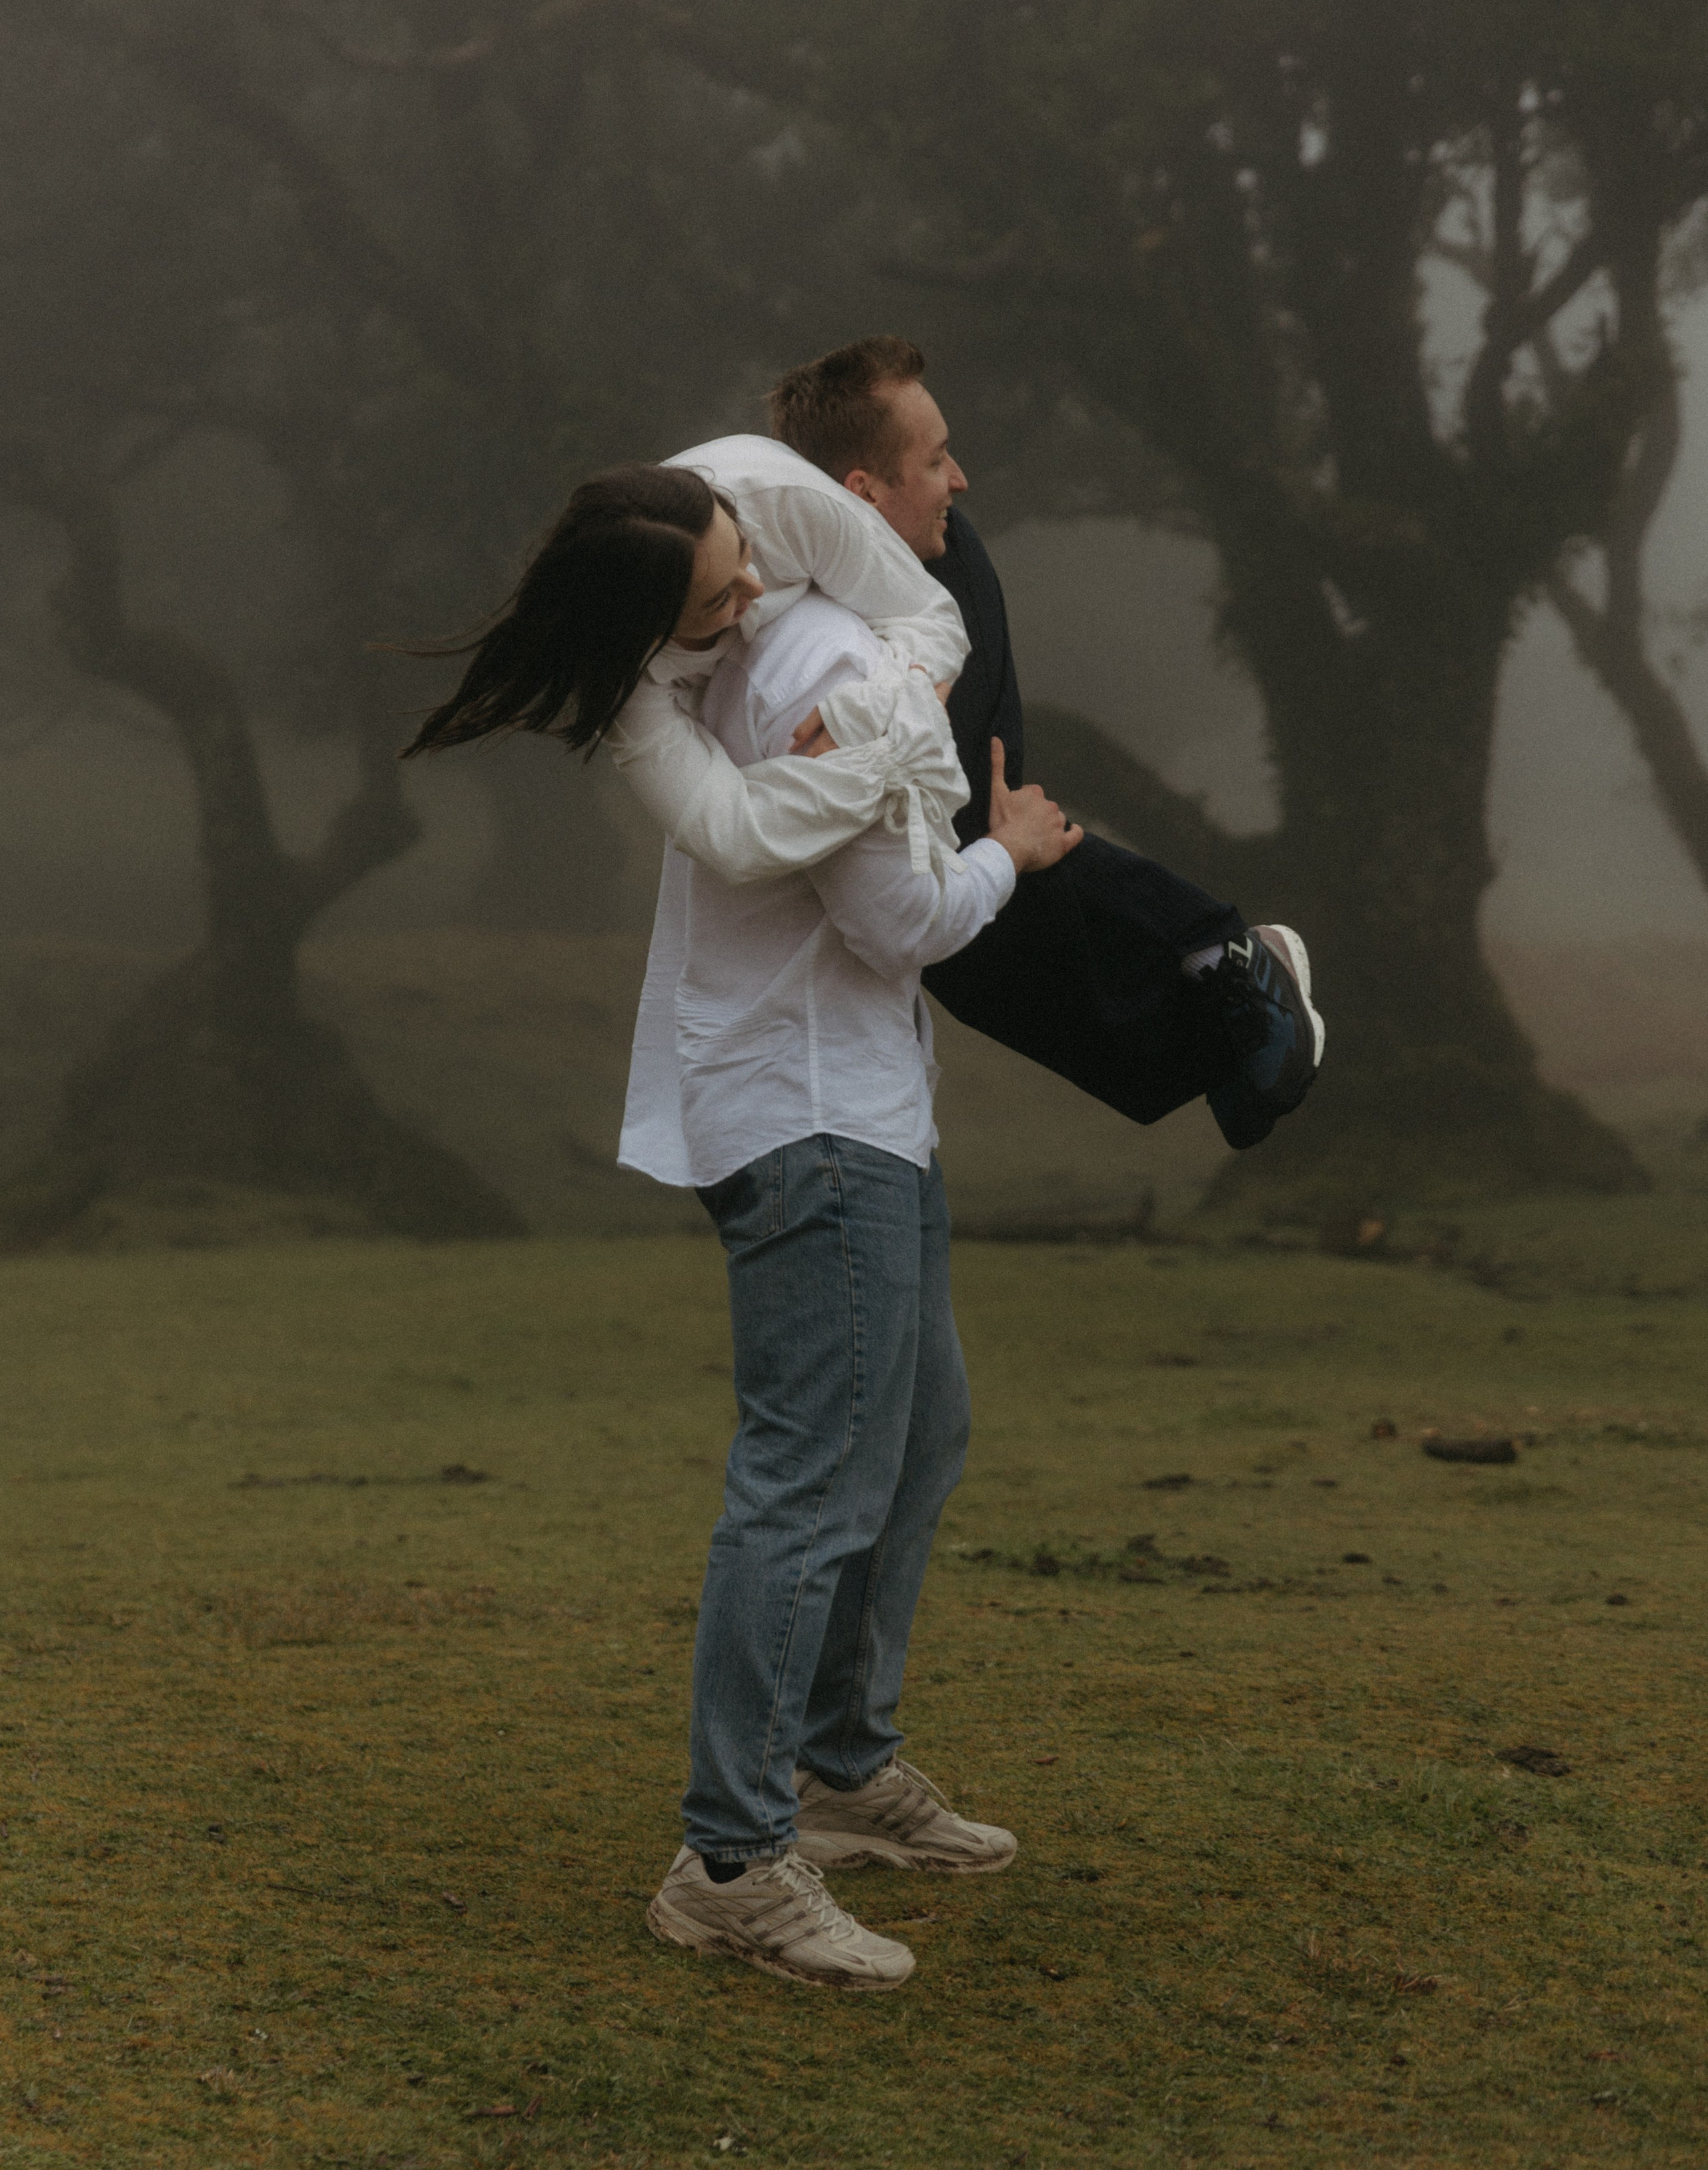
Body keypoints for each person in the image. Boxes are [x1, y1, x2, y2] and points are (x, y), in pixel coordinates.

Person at [405, 466, 1084, 1990]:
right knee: (810, 1478)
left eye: (743, 567)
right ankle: (729, 1855)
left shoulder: (780, 616)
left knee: (916, 1436)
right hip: (805, 1117)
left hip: (858, 1100)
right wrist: (1003, 850)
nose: (748, 595)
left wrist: (909, 756)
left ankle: (841, 1767)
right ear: (658, 624)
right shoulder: (796, 682)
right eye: (714, 594)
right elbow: (894, 920)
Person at [765, 337, 1326, 1150]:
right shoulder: (804, 554)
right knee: (961, 897)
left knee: (958, 855)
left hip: (941, 601)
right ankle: (1218, 1026)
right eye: (938, 459)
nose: (960, 477)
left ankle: (1226, 960)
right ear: (864, 487)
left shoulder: (934, 556)